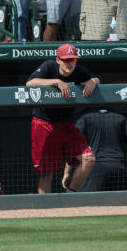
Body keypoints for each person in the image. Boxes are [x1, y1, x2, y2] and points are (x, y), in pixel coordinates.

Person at [25, 43, 98, 193]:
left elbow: (93, 78)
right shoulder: (49, 66)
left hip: (67, 125)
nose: (70, 63)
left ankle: (70, 195)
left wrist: (93, 81)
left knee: (88, 159)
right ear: (58, 60)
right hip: (45, 124)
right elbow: (30, 83)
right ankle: (46, 211)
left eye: (73, 59)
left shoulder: (79, 71)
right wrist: (56, 82)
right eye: (66, 59)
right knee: (47, 173)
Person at [75, 108, 127, 192]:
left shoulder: (85, 117)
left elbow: (73, 142)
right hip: (118, 167)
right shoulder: (120, 117)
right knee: (118, 202)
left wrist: (68, 172)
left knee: (88, 202)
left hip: (94, 168)